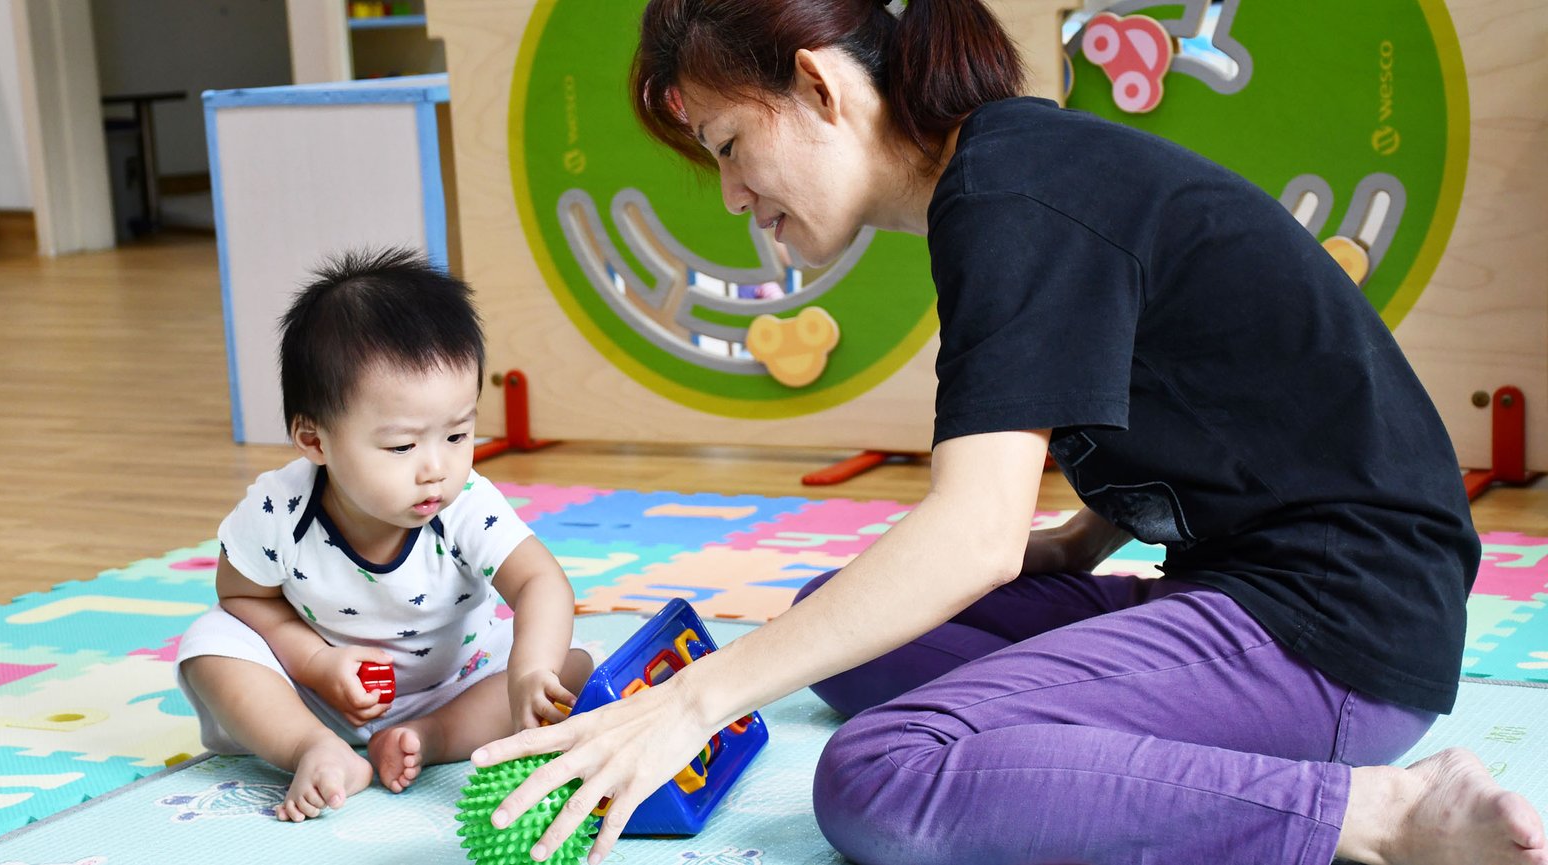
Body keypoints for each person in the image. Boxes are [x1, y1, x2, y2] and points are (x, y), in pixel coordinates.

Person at [469, 2, 1548, 864]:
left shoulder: (1007, 193)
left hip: (1333, 637)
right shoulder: (1006, 172)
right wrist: (1077, 546)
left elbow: (974, 531)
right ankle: (1104, 733)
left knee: (880, 773)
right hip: (1262, 584)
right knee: (840, 628)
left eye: (727, 142)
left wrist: (692, 705)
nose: (732, 193)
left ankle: (1373, 814)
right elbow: (1215, 397)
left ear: (816, 83)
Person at [176, 248, 592, 822]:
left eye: (457, 434)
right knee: (210, 647)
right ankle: (311, 750)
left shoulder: (464, 502)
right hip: (316, 698)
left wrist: (529, 672)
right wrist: (317, 663)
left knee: (570, 669)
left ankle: (430, 737)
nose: (436, 468)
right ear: (315, 441)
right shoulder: (279, 510)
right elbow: (242, 597)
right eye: (402, 446)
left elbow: (540, 581)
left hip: (457, 683)